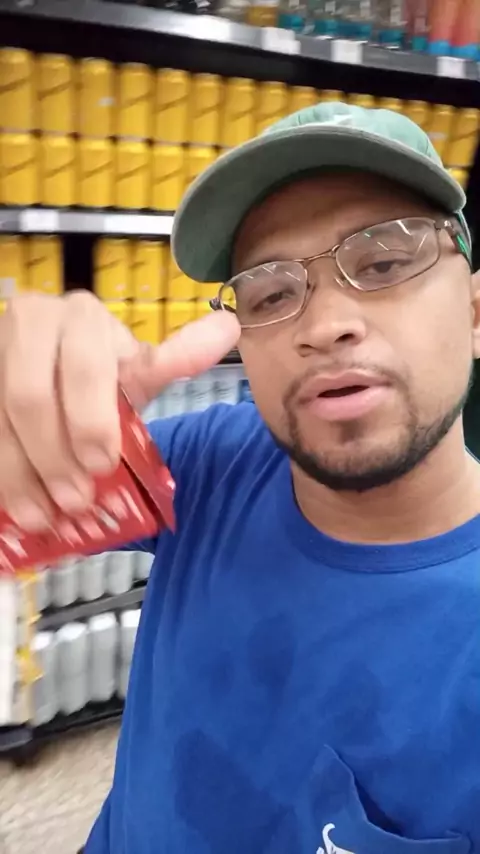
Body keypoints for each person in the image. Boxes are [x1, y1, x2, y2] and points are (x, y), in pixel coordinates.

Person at [2, 102, 480, 853]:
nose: (323, 324)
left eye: (385, 262)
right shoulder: (215, 462)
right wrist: (38, 426)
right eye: (271, 292)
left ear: (476, 311)